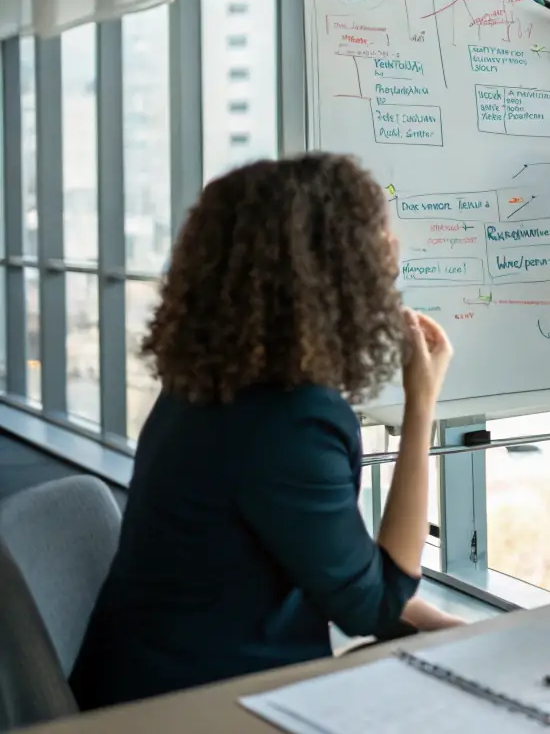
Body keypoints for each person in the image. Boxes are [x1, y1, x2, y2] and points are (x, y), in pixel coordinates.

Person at [71, 154, 463, 709]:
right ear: (334, 269)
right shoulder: (293, 422)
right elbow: (369, 607)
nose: (392, 249)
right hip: (197, 706)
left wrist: (436, 619)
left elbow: (331, 563)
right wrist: (421, 405)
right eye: (379, 234)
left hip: (140, 679)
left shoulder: (208, 386)